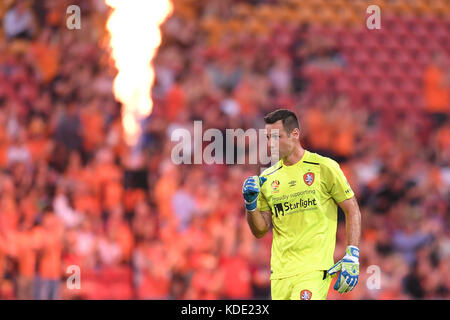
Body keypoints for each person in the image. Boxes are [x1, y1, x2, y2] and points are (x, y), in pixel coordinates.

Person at [242, 109, 361, 300]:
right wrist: (250, 204)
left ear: (295, 134)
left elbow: (352, 209)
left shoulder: (324, 167)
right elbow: (260, 230)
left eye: (276, 136)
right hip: (280, 274)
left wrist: (352, 254)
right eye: (267, 137)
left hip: (313, 270)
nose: (270, 143)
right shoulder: (267, 178)